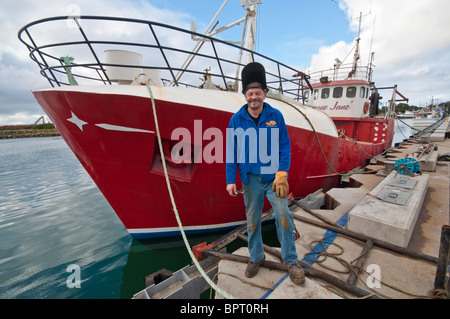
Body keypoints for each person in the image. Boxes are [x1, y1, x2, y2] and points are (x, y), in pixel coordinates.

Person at [225, 62, 305, 285]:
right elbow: (232, 152)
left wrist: (282, 173)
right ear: (245, 96)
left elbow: (284, 147)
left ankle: (291, 261)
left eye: (258, 93)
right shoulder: (236, 120)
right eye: (250, 93)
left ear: (265, 94)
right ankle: (256, 257)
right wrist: (230, 180)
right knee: (252, 221)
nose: (254, 97)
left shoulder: (276, 116)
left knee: (283, 216)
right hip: (250, 181)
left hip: (274, 181)